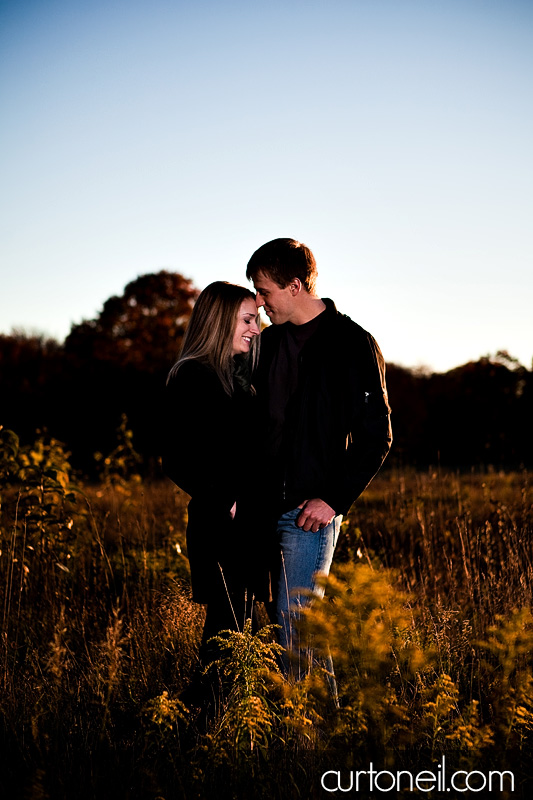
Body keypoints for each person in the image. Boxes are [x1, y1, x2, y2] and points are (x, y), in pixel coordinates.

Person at [246, 238, 392, 679]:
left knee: (299, 625)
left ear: (294, 286)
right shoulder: (266, 345)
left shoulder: (352, 343)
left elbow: (377, 436)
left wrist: (332, 499)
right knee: (277, 627)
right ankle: (312, 730)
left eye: (264, 290)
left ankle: (307, 740)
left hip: (309, 513)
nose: (260, 301)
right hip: (260, 504)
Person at [161, 281, 267, 661]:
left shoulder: (239, 379)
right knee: (226, 639)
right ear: (221, 322)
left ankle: (225, 713)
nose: (256, 328)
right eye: (248, 320)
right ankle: (204, 716)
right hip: (221, 527)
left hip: (248, 528)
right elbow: (175, 458)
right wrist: (226, 499)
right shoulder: (192, 376)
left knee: (245, 635)